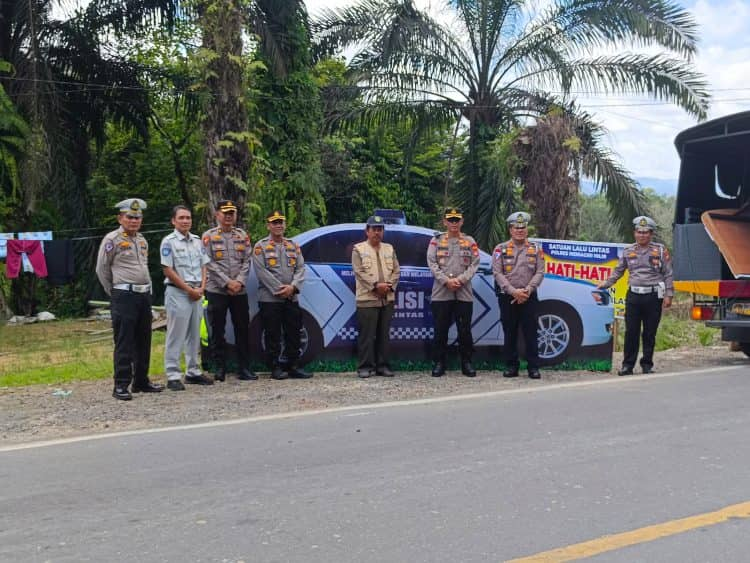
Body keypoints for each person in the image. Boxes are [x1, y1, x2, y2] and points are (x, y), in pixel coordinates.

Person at [96, 198, 164, 400]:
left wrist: (149, 292)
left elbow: (144, 268)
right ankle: (121, 384)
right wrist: (115, 293)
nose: (134, 220)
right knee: (124, 341)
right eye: (130, 217)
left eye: (138, 217)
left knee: (144, 338)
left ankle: (141, 380)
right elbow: (102, 269)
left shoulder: (142, 240)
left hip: (143, 294)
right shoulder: (112, 239)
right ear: (120, 218)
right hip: (124, 294)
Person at [597, 216, 674, 375]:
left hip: (653, 296)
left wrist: (669, 294)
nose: (642, 235)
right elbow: (618, 271)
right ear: (635, 233)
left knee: (649, 332)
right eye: (639, 232)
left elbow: (668, 274)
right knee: (631, 331)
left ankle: (647, 364)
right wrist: (606, 284)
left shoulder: (660, 250)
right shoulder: (628, 251)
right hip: (634, 296)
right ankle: (628, 365)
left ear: (651, 234)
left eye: (646, 232)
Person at [252, 210, 311, 380]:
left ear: (285, 225)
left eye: (281, 222)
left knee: (293, 332)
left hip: (291, 297)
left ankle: (293, 366)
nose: (278, 225)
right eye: (274, 222)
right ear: (268, 225)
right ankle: (275, 367)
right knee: (273, 334)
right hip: (270, 299)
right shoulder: (260, 247)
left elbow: (301, 268)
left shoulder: (293, 246)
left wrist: (292, 287)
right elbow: (261, 272)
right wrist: (281, 289)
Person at [202, 199, 256, 382]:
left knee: (242, 328)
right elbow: (208, 262)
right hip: (217, 289)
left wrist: (239, 282)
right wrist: (227, 283)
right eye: (225, 213)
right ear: (217, 214)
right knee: (217, 329)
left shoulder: (242, 236)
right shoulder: (209, 236)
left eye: (231, 213)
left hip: (239, 291)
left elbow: (247, 261)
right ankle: (219, 367)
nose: (228, 216)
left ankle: (244, 368)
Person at [160, 205, 214, 391]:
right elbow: (168, 269)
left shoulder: (197, 241)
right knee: (176, 334)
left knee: (194, 334)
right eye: (181, 218)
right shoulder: (169, 242)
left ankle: (193, 371)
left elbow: (204, 265)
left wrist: (202, 288)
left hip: (197, 292)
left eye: (188, 218)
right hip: (178, 293)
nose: (185, 221)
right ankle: (173, 374)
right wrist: (188, 289)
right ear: (173, 221)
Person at [426, 207, 480, 377]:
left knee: (464, 330)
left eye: (457, 220)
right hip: (441, 291)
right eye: (451, 220)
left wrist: (461, 280)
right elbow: (432, 263)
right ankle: (439, 363)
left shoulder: (470, 241)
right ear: (445, 222)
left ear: (462, 221)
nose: (454, 223)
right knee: (440, 329)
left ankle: (466, 363)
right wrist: (446, 281)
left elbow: (475, 263)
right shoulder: (436, 241)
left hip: (464, 291)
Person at [492, 211, 545, 379]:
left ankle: (533, 367)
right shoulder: (500, 249)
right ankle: (511, 366)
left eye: (523, 227)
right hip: (508, 296)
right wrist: (513, 291)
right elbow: (497, 273)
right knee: (510, 332)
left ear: (527, 229)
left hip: (529, 296)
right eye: (516, 227)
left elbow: (540, 272)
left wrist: (528, 290)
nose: (520, 230)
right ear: (510, 230)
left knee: (531, 332)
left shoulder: (535, 249)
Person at [351, 215, 400, 378]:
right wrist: (375, 286)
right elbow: (359, 272)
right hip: (367, 299)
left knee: (383, 335)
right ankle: (365, 367)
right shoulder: (358, 249)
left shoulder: (390, 248)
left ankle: (383, 366)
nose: (377, 233)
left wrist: (389, 286)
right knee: (367, 336)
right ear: (367, 231)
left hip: (387, 298)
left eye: (380, 229)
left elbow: (396, 271)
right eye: (374, 229)